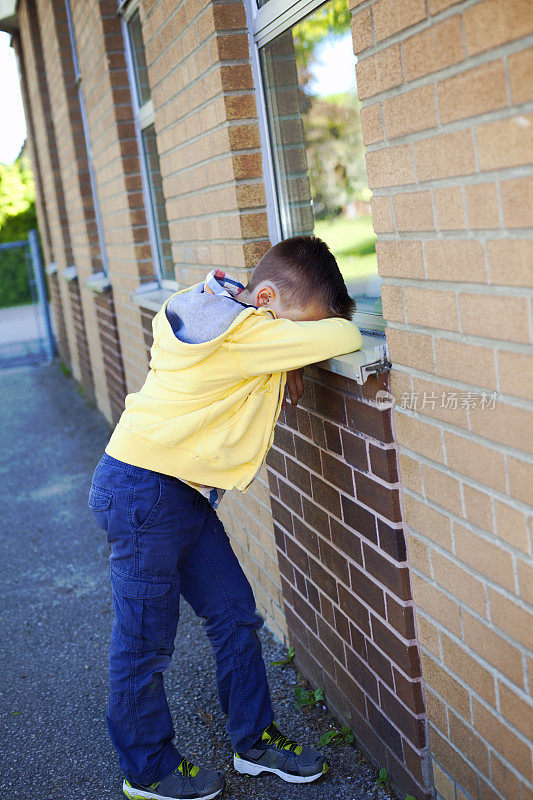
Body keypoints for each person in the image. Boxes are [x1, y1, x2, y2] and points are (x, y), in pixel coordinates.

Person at [88, 235, 363, 800]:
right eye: (293, 325)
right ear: (262, 298)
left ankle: (254, 740)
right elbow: (346, 334)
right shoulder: (246, 332)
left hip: (173, 492)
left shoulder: (213, 307)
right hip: (145, 494)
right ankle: (147, 771)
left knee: (235, 613)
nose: (294, 340)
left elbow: (254, 353)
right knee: (144, 643)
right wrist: (291, 349)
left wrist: (282, 361)